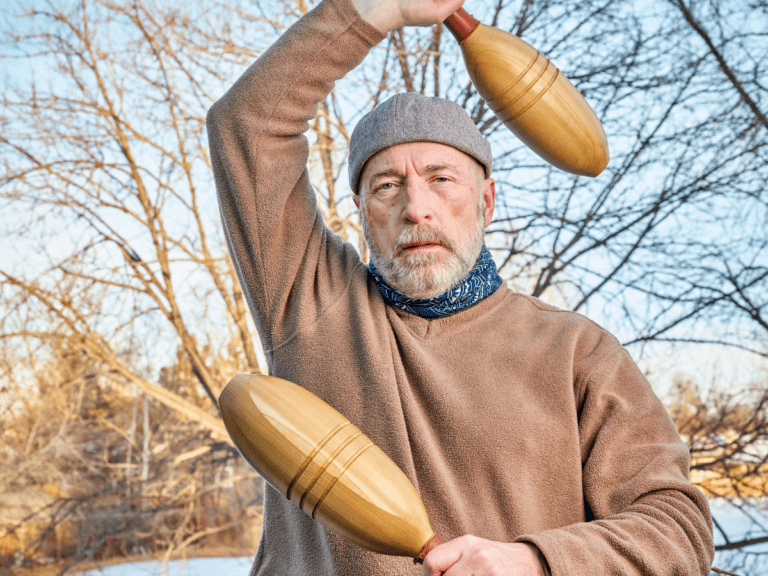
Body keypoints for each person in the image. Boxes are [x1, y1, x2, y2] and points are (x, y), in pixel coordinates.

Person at [206, 0, 715, 574]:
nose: (415, 208)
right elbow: (246, 125)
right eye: (386, 186)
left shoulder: (577, 351)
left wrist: (534, 562)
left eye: (440, 179)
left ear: (486, 201)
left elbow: (678, 529)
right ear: (361, 210)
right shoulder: (313, 307)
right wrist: (378, 11)